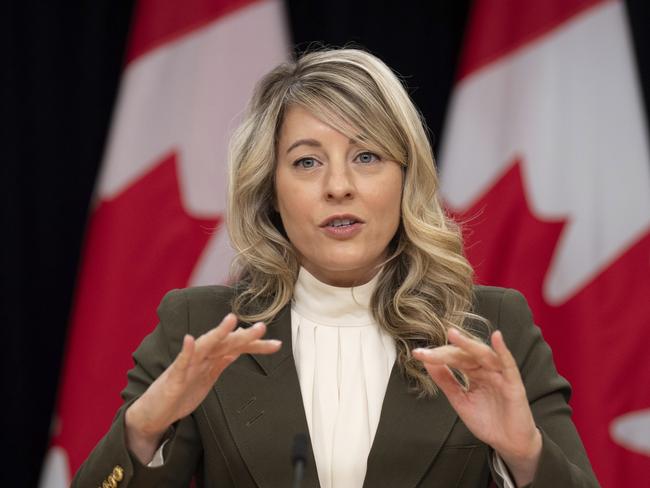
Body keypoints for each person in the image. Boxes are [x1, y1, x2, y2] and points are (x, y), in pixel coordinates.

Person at [72, 48, 600, 488]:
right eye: (307, 161)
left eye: (367, 156)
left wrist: (525, 455)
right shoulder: (203, 328)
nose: (338, 186)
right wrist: (142, 431)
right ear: (271, 191)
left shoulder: (488, 326)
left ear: (404, 178)